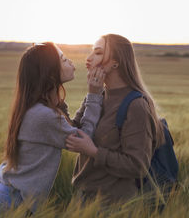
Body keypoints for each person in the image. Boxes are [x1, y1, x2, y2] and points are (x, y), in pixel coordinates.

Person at [0, 42, 105, 218]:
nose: (70, 61)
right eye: (63, 59)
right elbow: (84, 137)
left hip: (9, 202)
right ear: (49, 73)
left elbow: (72, 126)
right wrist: (94, 95)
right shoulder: (44, 116)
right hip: (11, 206)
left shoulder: (38, 108)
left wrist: (91, 96)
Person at [66, 34, 165, 204]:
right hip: (83, 198)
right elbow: (74, 134)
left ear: (115, 62)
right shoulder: (98, 94)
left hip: (113, 205)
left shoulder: (136, 106)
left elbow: (137, 165)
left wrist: (94, 152)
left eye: (97, 53)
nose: (88, 59)